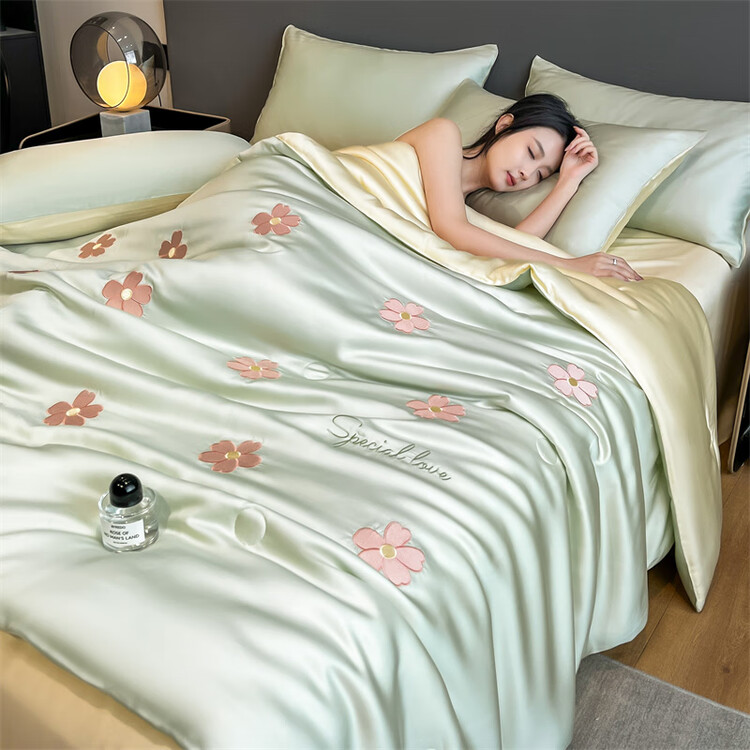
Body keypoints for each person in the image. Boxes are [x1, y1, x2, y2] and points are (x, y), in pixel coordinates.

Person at [396, 93, 643, 282]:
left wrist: (569, 181)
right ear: (504, 125)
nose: (527, 173)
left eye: (540, 174)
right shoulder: (443, 132)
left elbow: (514, 245)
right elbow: (452, 229)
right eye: (531, 152)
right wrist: (569, 265)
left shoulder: (461, 208)